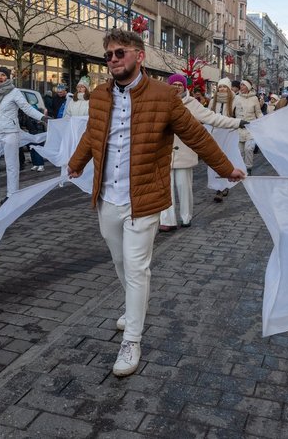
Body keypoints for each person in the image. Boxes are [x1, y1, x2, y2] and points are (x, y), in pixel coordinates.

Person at [67, 29, 244, 377]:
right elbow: (92, 133)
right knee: (120, 262)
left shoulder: (164, 97)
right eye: (109, 55)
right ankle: (135, 308)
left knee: (136, 267)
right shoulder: (100, 96)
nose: (114, 59)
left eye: (120, 53)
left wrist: (226, 169)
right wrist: (76, 163)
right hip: (108, 196)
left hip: (145, 198)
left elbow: (196, 134)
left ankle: (132, 339)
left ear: (138, 56)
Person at [160, 73, 245, 232]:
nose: (177, 87)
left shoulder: (192, 104)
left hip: (184, 152)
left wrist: (238, 122)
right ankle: (167, 220)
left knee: (183, 187)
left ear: (184, 87)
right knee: (165, 189)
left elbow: (214, 118)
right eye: (174, 84)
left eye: (180, 84)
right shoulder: (161, 101)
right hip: (164, 153)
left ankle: (186, 217)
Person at [0, 66, 46, 207]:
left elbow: (27, 108)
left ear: (7, 77)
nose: (0, 77)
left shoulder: (15, 92)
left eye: (3, 75)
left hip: (10, 132)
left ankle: (12, 194)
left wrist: (42, 117)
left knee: (11, 165)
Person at [209, 78, 235, 202]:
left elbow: (238, 117)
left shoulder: (235, 100)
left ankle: (224, 186)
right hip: (215, 134)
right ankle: (217, 186)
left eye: (225, 86)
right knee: (215, 160)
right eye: (220, 87)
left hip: (229, 133)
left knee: (226, 160)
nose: (222, 89)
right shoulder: (213, 102)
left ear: (229, 88)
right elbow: (208, 116)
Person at [233, 79, 262, 173]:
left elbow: (258, 113)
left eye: (243, 85)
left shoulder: (254, 98)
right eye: (240, 85)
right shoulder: (236, 98)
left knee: (249, 148)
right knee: (239, 151)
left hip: (250, 128)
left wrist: (263, 121)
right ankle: (241, 169)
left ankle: (248, 168)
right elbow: (231, 111)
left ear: (248, 87)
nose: (241, 87)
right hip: (239, 128)